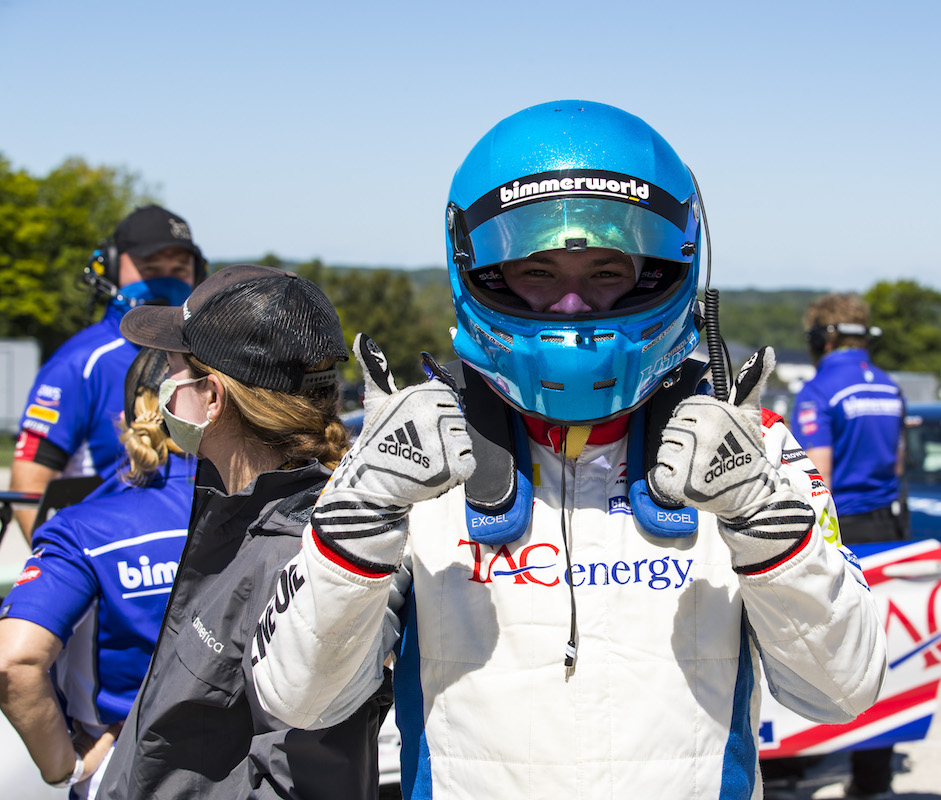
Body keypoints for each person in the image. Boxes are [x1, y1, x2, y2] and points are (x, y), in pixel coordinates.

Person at [250, 100, 887, 799]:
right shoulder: (410, 458)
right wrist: (360, 512)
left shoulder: (754, 450)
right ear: (482, 271)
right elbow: (297, 699)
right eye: (540, 273)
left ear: (666, 268)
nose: (573, 308)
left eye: (607, 273)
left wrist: (764, 521)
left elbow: (845, 693)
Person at [94, 264, 392, 799]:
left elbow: (305, 783)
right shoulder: (236, 515)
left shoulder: (297, 560)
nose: (163, 381)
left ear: (211, 398)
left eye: (173, 365)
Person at [0, 346, 194, 797]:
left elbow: (14, 661)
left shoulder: (81, 528)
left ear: (126, 421)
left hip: (127, 768)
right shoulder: (270, 513)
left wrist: (63, 767)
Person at [10, 204, 204, 542]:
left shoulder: (208, 353)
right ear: (112, 267)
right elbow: (28, 484)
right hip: (111, 558)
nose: (165, 279)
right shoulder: (80, 363)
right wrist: (72, 573)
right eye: (150, 267)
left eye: (178, 268)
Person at [788, 292, 905, 800]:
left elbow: (818, 477)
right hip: (889, 527)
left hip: (843, 529)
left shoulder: (819, 390)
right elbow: (898, 466)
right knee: (874, 650)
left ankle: (796, 765)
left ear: (823, 337)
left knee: (816, 648)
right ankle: (873, 777)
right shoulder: (891, 388)